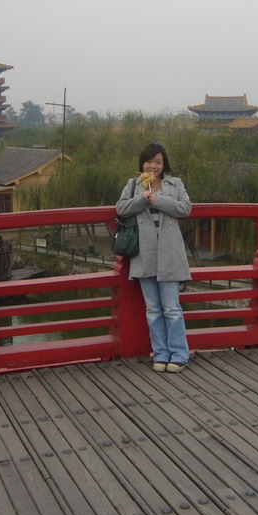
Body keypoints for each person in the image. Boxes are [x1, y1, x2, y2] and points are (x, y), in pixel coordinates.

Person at [115, 143, 193, 373]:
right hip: (144, 253)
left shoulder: (175, 183)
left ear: (164, 164)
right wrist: (142, 199)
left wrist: (158, 201)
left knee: (171, 308)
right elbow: (120, 208)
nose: (153, 166)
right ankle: (160, 353)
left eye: (158, 162)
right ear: (142, 163)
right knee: (153, 309)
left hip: (169, 252)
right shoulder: (133, 185)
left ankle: (179, 354)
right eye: (149, 162)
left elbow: (186, 208)